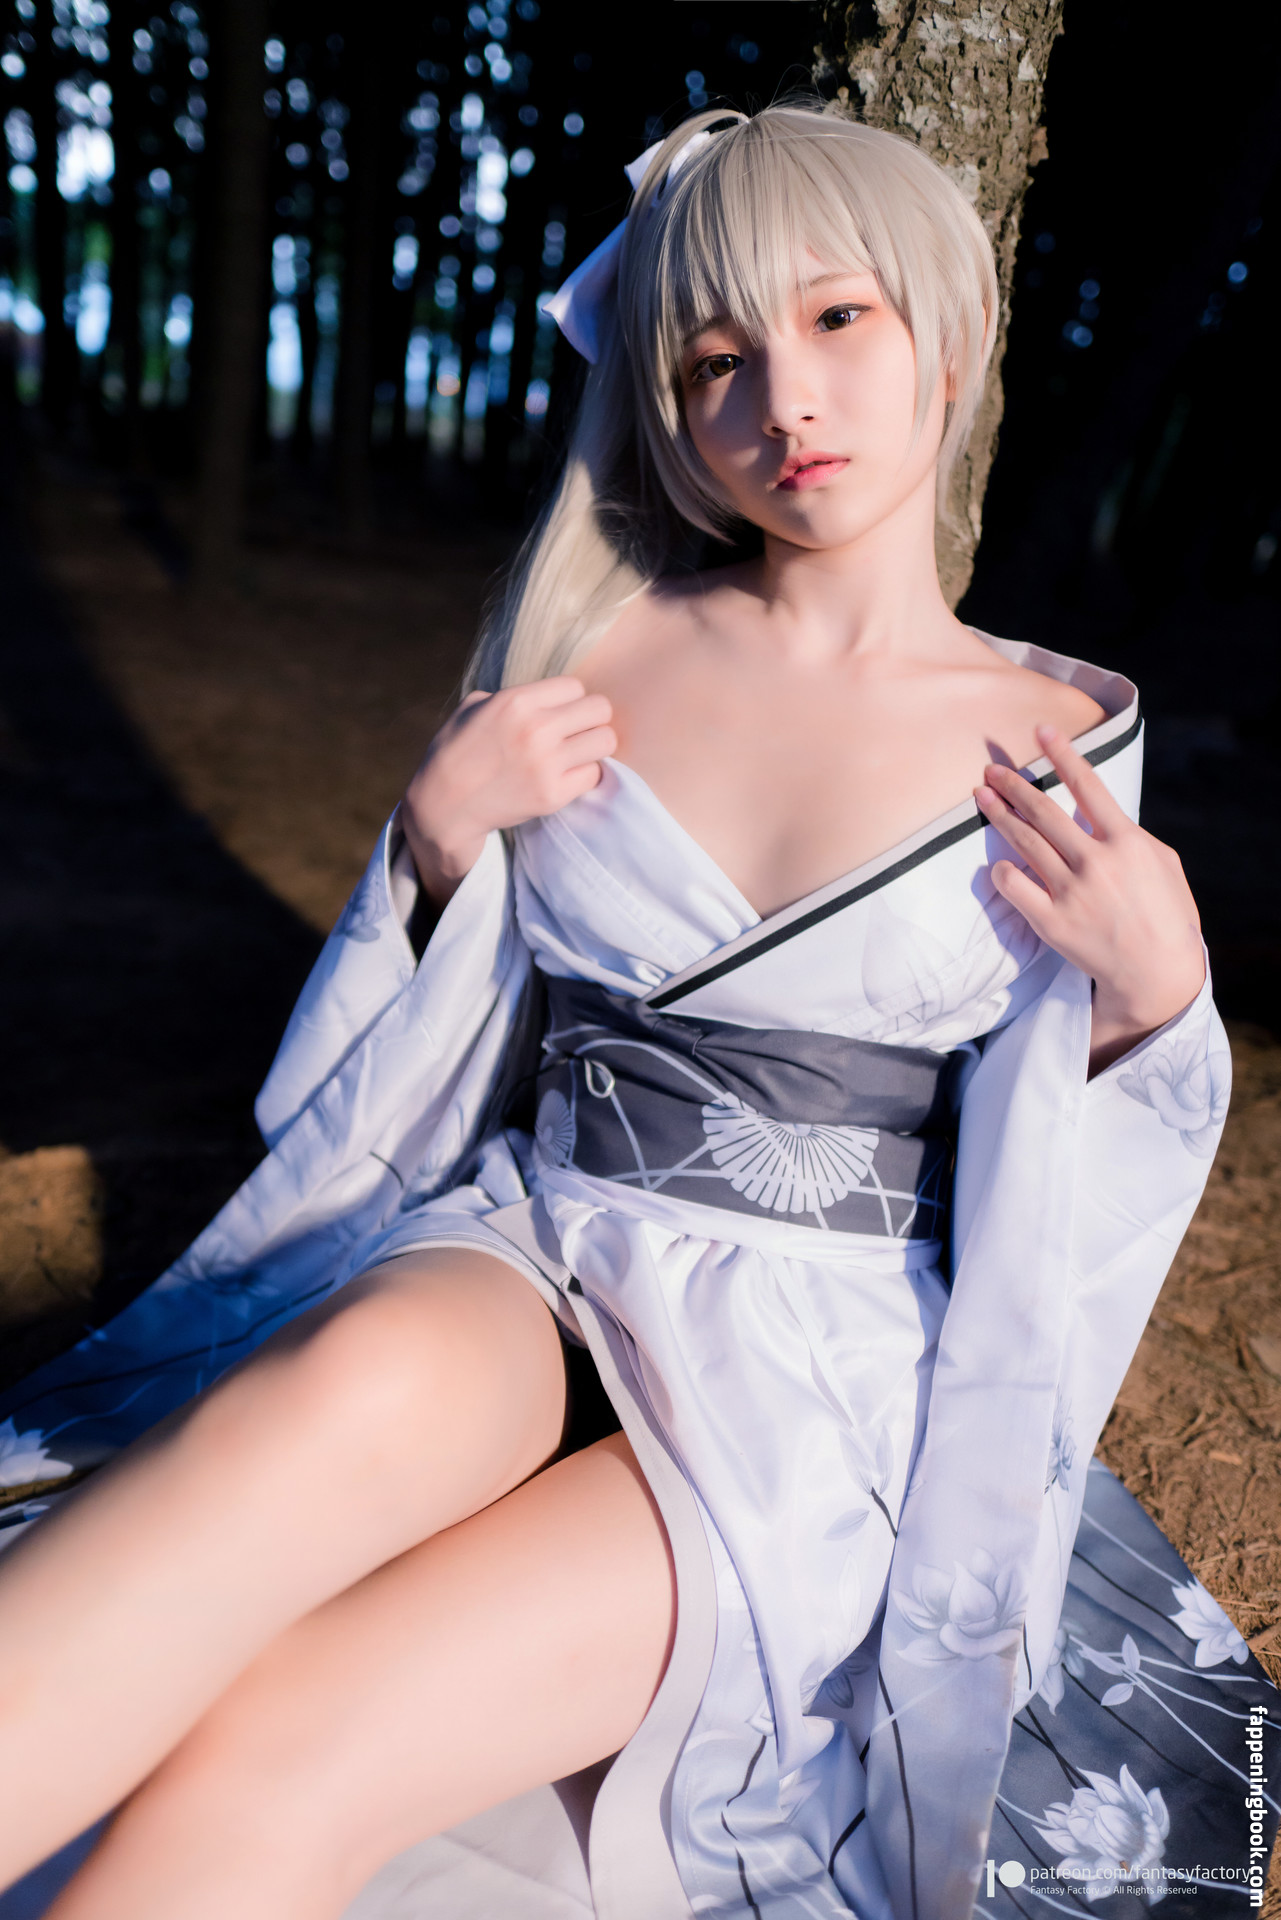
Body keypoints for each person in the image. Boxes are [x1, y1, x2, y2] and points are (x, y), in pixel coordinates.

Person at [0, 103, 1274, 1920]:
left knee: (282, 1743)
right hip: (538, 1238)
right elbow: (440, 1057)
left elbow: (1049, 1181)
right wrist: (436, 846)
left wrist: (1155, 1001)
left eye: (836, 318)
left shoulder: (1057, 741)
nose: (785, 398)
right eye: (715, 358)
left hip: (815, 1368)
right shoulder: (591, 654)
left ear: (950, 331)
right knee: (330, 1395)